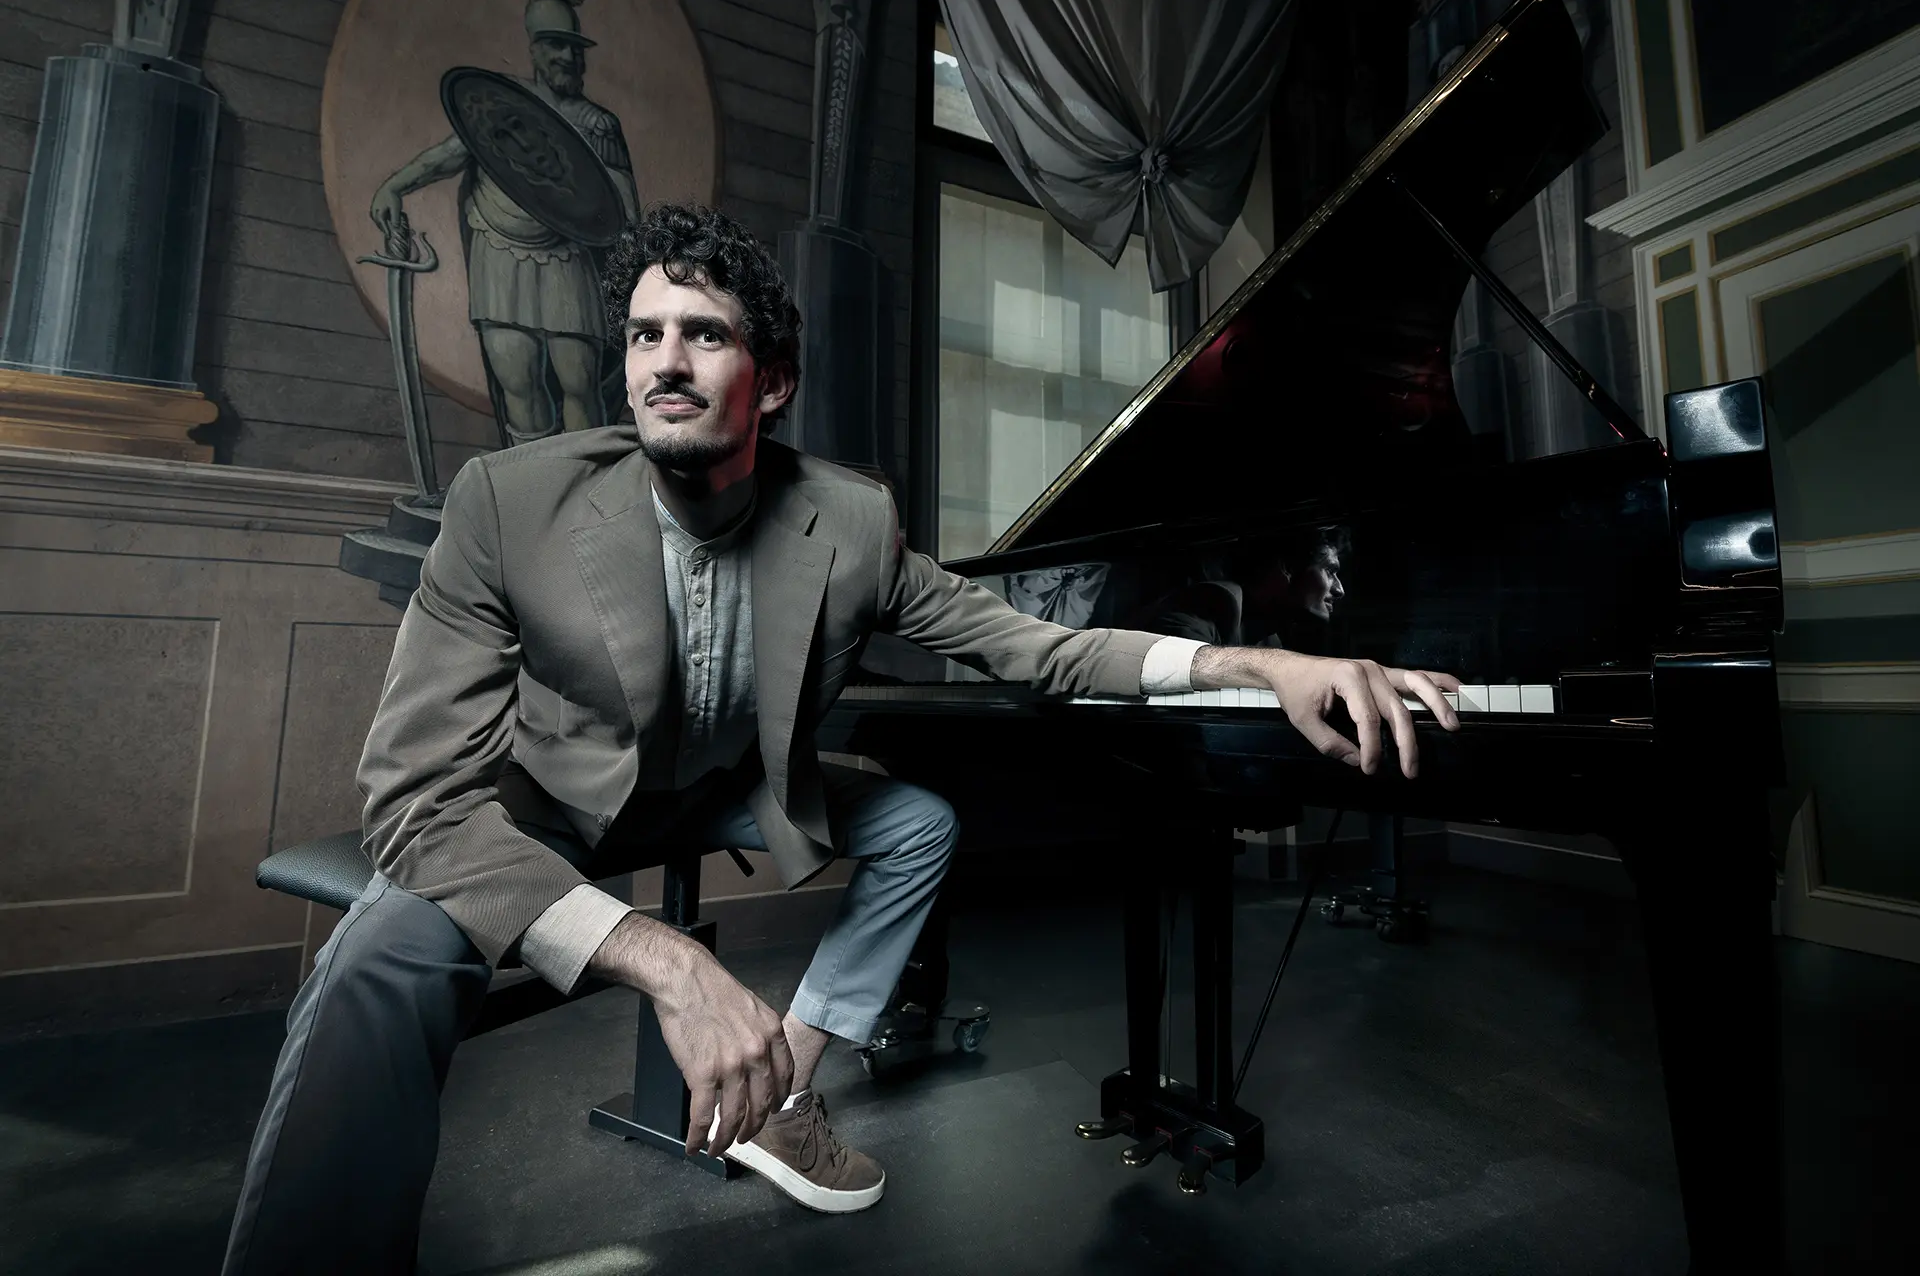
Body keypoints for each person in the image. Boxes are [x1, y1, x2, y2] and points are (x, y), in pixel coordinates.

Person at [220, 203, 1460, 1274]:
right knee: (384, 948)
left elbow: (1045, 648)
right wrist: (673, 963)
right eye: (646, 334)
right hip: (546, 803)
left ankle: (784, 1086)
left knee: (921, 819)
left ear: (774, 378)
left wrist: (1262, 659)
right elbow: (414, 800)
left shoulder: (850, 523)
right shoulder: (510, 500)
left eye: (705, 335)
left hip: (715, 786)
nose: (667, 361)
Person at [369, 0, 639, 443]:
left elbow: (623, 208)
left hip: (567, 259)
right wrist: (394, 185)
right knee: (518, 379)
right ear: (534, 48)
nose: (568, 58)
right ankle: (532, 493)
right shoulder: (499, 106)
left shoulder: (597, 124)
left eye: (575, 49)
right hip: (499, 253)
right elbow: (448, 156)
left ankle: (587, 485)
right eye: (555, 45)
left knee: (579, 381)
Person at [1133, 525, 1350, 654]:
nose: (1340, 589)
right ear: (1288, 568)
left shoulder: (1268, 638)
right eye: (1329, 571)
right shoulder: (1204, 608)